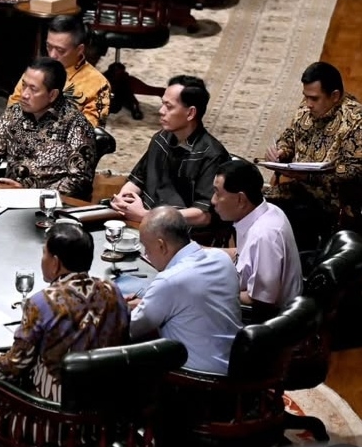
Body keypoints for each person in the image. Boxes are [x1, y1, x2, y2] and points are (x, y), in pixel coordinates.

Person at [0, 223, 129, 402]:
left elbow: (13, 368)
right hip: (107, 407)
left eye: (44, 253)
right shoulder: (113, 290)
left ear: (55, 263)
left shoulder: (42, 302)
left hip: (52, 412)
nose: (42, 259)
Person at [129, 207, 243, 374]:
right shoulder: (221, 258)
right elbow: (194, 303)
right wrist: (145, 304)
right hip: (236, 362)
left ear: (161, 246)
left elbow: (131, 329)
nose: (146, 254)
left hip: (198, 376)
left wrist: (115, 305)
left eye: (147, 248)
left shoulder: (169, 280)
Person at [111, 75, 230, 227]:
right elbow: (137, 179)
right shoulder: (161, 138)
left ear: (190, 113)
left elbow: (203, 215)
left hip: (177, 230)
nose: (161, 111)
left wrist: (148, 216)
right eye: (163, 104)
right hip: (145, 218)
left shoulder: (212, 155)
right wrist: (124, 197)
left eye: (169, 106)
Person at [264, 61, 362, 239]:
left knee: (276, 220)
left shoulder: (356, 121)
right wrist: (281, 151)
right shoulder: (308, 107)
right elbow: (290, 135)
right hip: (299, 190)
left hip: (331, 204)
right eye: (306, 96)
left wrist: (309, 176)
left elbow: (352, 172)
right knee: (252, 201)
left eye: (314, 98)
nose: (308, 104)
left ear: (334, 96)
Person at [0, 57, 97, 199]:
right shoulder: (14, 113)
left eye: (33, 89)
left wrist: (31, 195)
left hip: (49, 205)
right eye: (24, 85)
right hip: (6, 197)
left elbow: (79, 181)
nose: (24, 95)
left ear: (52, 95)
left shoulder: (76, 125)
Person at [212, 159, 302, 311]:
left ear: (240, 199)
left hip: (264, 319)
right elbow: (245, 256)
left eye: (217, 193)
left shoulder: (264, 236)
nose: (213, 201)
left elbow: (260, 301)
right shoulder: (267, 210)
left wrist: (212, 292)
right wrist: (200, 251)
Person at [6, 15, 111, 128]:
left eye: (60, 50)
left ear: (79, 50)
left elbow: (90, 130)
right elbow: (12, 107)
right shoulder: (36, 70)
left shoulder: (98, 84)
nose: (52, 55)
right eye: (49, 47)